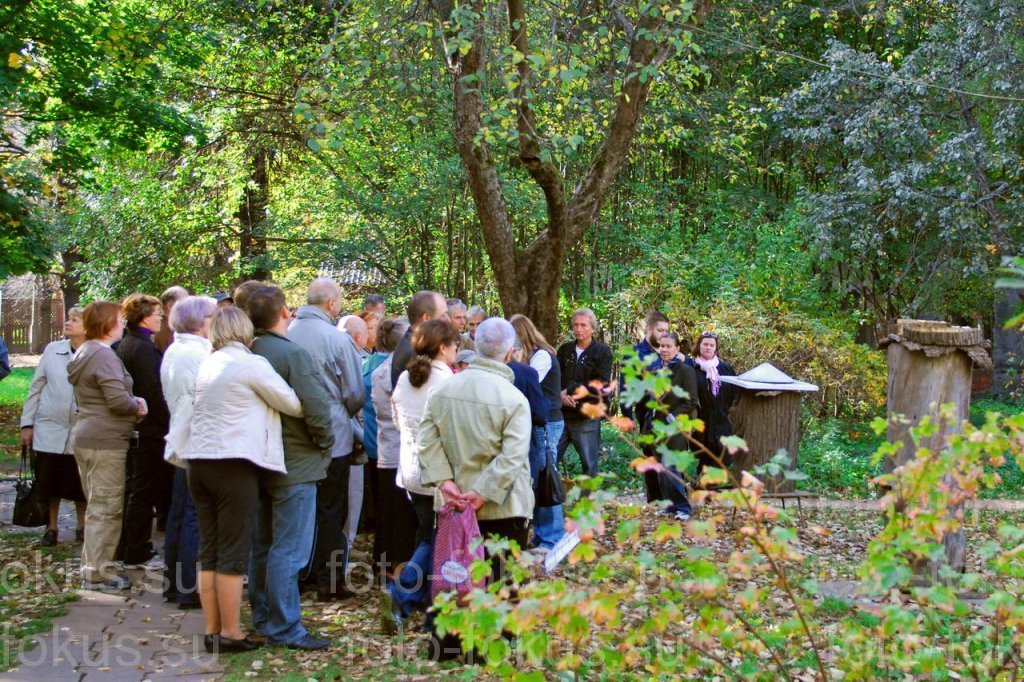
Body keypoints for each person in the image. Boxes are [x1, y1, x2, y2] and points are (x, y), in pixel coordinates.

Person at [181, 306, 304, 654]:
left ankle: (212, 627)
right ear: (245, 332)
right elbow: (292, 403)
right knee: (233, 552)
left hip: (199, 462)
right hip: (233, 465)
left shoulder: (209, 364)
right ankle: (232, 632)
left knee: (211, 550)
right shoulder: (250, 363)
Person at [417, 317, 533, 659]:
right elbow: (513, 457)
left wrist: (446, 482)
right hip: (500, 505)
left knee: (455, 573)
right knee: (498, 575)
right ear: (510, 353)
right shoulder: (513, 399)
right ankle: (491, 645)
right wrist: (481, 492)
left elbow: (426, 439)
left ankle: (450, 645)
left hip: (456, 501)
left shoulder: (444, 390)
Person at [246, 286, 335, 651]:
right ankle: (286, 628)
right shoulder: (291, 355)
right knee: (290, 550)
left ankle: (265, 618)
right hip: (295, 463)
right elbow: (317, 407)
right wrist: (325, 442)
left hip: (257, 460)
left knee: (263, 544)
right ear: (285, 311)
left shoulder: (248, 351)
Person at [287, 278, 364, 601]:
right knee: (332, 508)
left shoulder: (285, 334)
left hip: (292, 433)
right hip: (333, 435)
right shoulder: (336, 339)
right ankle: (329, 579)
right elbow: (354, 392)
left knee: (299, 507)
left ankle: (300, 573)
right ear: (332, 304)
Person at [383, 319, 459, 634]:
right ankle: (400, 593)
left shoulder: (405, 378)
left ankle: (419, 596)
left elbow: (398, 422)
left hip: (411, 470)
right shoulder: (448, 383)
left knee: (427, 534)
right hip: (437, 474)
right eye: (455, 344)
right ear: (443, 347)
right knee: (434, 539)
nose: (458, 349)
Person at [67, 301, 146, 591]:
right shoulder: (103, 355)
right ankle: (98, 573)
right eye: (119, 319)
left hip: (88, 435)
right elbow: (116, 400)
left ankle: (93, 567)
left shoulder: (87, 350)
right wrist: (137, 405)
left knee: (97, 505)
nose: (123, 324)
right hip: (105, 440)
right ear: (107, 323)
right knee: (107, 507)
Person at [161, 295, 217, 611]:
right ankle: (186, 587)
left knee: (180, 513)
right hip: (196, 440)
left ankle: (174, 583)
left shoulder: (175, 349)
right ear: (201, 321)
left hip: (183, 439)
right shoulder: (199, 353)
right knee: (193, 515)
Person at [20, 307, 88, 547]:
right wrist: (27, 423)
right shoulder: (53, 350)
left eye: (74, 320)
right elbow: (36, 387)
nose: (68, 323)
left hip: (81, 430)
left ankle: (82, 525)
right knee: (49, 481)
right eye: (68, 319)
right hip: (50, 428)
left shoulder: (96, 353)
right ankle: (51, 527)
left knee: (79, 482)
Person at [115, 293, 173, 568]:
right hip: (149, 430)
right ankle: (136, 549)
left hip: (139, 428)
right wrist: (168, 423)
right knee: (142, 491)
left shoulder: (128, 344)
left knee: (136, 489)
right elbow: (153, 392)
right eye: (158, 314)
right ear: (144, 317)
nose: (161, 318)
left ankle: (128, 545)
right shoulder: (142, 349)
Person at [510, 313, 564, 550]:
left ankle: (553, 535)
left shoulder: (542, 357)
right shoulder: (533, 357)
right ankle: (542, 533)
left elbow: (527, 384)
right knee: (539, 475)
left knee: (546, 477)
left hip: (548, 422)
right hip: (538, 422)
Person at [369, 318, 415, 584]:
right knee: (401, 515)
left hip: (384, 449)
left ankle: (383, 563)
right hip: (399, 450)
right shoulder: (397, 373)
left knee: (387, 512)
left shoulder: (376, 371)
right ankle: (399, 568)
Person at [646, 332, 698, 521]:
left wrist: (674, 417)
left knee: (672, 467)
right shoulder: (656, 371)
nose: (664, 350)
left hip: (676, 426)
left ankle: (684, 508)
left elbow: (692, 400)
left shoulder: (685, 371)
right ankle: (670, 507)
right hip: (657, 426)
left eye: (668, 346)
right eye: (662, 346)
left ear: (677, 349)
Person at [556, 308, 613, 479]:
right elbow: (556, 378)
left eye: (583, 325)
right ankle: (550, 503)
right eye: (576, 325)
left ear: (592, 328)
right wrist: (561, 396)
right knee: (549, 459)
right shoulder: (564, 350)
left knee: (589, 466)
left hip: (587, 417)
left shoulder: (602, 352)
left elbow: (600, 384)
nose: (579, 329)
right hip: (562, 415)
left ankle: (588, 504)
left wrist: (572, 389)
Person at [687, 331, 738, 472]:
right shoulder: (691, 368)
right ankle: (704, 490)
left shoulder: (725, 369)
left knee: (726, 456)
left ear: (716, 348)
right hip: (701, 421)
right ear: (699, 346)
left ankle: (701, 486)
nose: (708, 347)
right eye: (705, 344)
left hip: (723, 420)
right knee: (705, 458)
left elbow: (735, 393)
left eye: (711, 345)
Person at [390, 291, 449, 389]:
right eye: (443, 315)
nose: (448, 320)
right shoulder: (416, 352)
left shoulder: (413, 343)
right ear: (426, 318)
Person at [153, 286, 188, 353]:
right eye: (184, 302)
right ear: (169, 306)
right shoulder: (160, 328)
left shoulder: (176, 325)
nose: (188, 305)